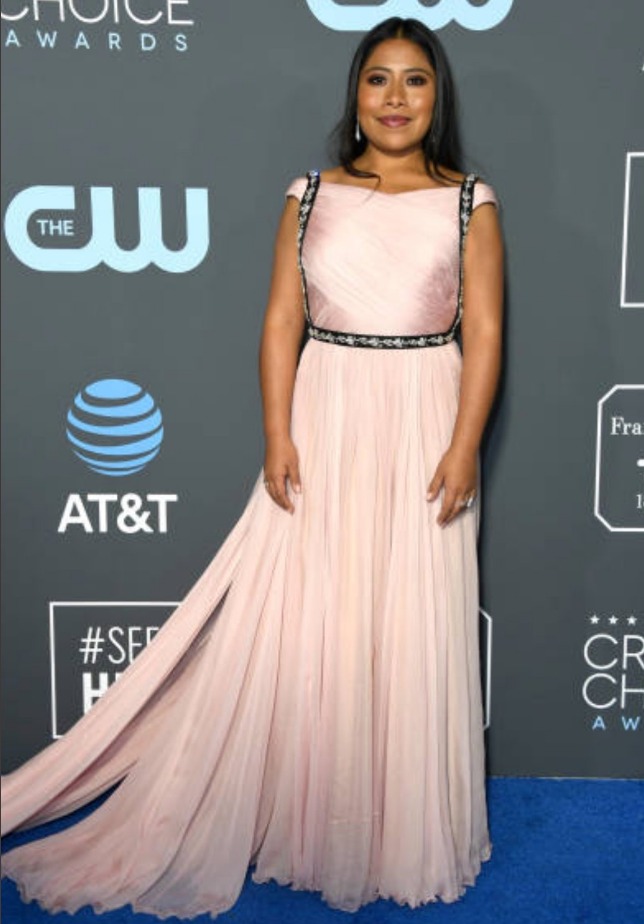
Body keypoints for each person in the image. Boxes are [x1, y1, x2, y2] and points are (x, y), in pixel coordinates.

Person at [1, 15, 504, 917]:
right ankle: (315, 820)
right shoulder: (308, 195)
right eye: (379, 78)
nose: (395, 98)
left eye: (415, 80)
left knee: (411, 610)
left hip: (427, 410)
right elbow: (281, 320)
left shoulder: (470, 202)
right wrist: (279, 434)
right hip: (327, 406)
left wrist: (465, 443)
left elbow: (488, 331)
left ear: (439, 97)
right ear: (356, 93)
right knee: (317, 615)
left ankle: (399, 827)